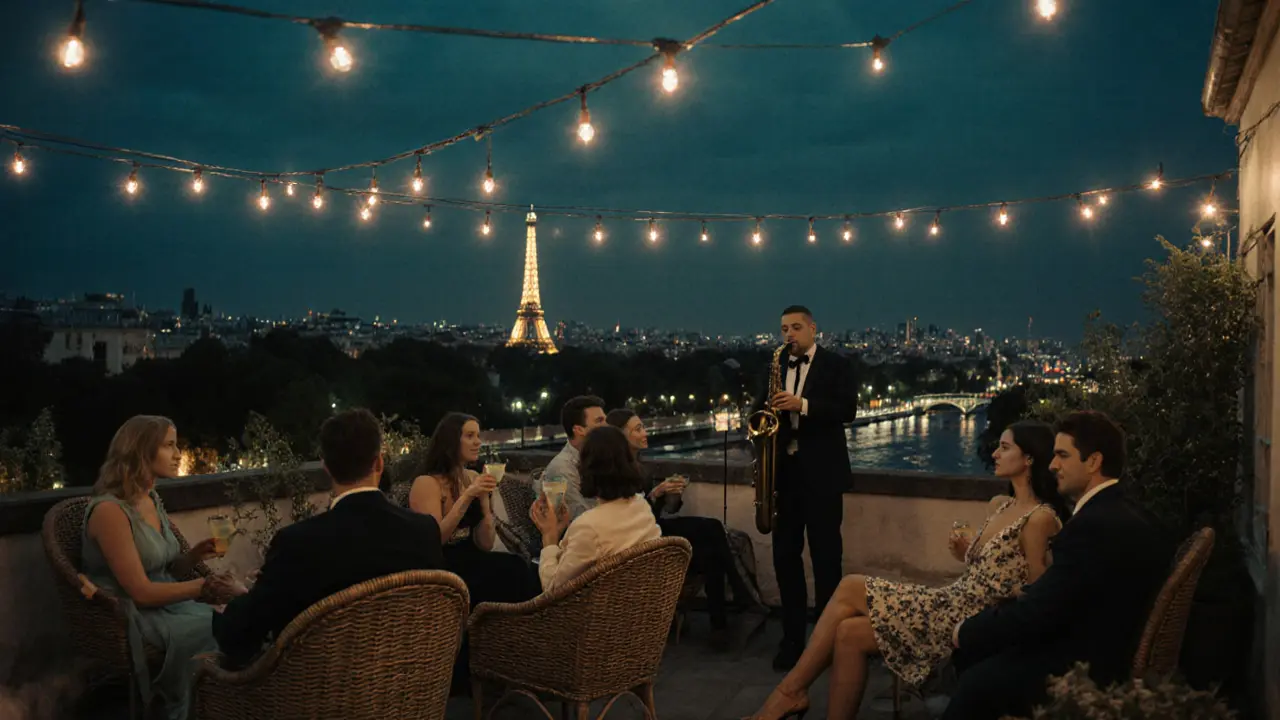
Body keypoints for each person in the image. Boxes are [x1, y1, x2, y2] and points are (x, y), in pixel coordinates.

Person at [749, 420, 1069, 720]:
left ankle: (790, 692)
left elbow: (1039, 592)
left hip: (968, 617)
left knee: (850, 586)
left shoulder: (1040, 518)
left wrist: (1007, 597)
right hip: (953, 601)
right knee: (848, 634)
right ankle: (800, 698)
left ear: (1028, 458)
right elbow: (990, 568)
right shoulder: (1000, 504)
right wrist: (967, 552)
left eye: (1004, 447)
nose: (995, 453)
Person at [941, 410, 1174, 720]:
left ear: (1093, 462)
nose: (1052, 466)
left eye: (1063, 455)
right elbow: (1064, 594)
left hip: (1086, 665)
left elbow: (1042, 611)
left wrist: (966, 630)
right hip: (1106, 646)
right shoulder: (1130, 513)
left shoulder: (1092, 526)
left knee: (977, 680)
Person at [214, 409, 445, 667]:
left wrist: (237, 599)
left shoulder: (297, 543)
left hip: (318, 695)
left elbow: (238, 636)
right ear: (379, 462)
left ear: (327, 468)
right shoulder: (424, 530)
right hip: (408, 685)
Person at [81, 415, 235, 720]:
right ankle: (185, 709)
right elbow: (141, 592)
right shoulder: (110, 512)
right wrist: (204, 587)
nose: (178, 454)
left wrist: (193, 558)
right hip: (132, 613)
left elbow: (166, 572)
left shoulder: (150, 498)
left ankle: (220, 706)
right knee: (217, 626)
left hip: (167, 604)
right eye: (169, 445)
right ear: (141, 451)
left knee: (236, 618)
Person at [753, 305, 859, 671]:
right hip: (785, 475)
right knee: (785, 557)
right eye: (784, 329)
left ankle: (828, 638)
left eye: (796, 328)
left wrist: (803, 405)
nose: (789, 335)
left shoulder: (837, 365)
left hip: (823, 475)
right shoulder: (776, 366)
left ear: (814, 328)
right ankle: (792, 638)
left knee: (827, 557)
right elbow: (758, 412)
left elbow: (848, 410)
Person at [607, 408, 761, 650]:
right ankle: (728, 615)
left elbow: (658, 511)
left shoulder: (638, 464)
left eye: (642, 426)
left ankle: (728, 615)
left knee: (713, 527)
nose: (645, 433)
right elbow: (629, 518)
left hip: (653, 525)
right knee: (711, 554)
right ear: (619, 437)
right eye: (637, 429)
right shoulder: (614, 471)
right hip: (640, 538)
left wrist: (670, 496)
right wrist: (655, 494)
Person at [408, 412, 541, 606]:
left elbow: (485, 544)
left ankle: (527, 630)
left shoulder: (471, 476)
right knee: (514, 573)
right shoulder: (427, 483)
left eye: (478, 436)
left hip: (473, 558)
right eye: (469, 436)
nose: (478, 442)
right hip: (445, 569)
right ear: (451, 441)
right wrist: (468, 495)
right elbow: (433, 541)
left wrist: (485, 502)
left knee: (521, 567)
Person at [530, 425, 660, 590]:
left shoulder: (589, 526)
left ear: (585, 468)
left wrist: (549, 537)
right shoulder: (641, 507)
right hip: (642, 608)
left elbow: (552, 589)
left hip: (595, 614)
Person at [534, 395, 607, 522]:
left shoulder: (599, 457)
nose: (607, 426)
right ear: (579, 430)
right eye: (599, 421)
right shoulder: (562, 469)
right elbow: (581, 518)